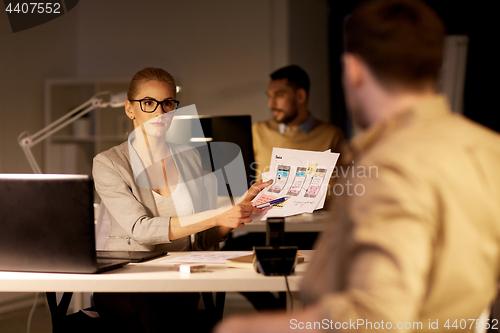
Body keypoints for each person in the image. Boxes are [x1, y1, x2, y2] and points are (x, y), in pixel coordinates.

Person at [214, 0, 500, 332]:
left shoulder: (391, 162)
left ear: (354, 69)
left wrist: (244, 329)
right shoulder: (489, 147)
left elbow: (377, 316)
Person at [92, 67, 271, 333]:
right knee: (151, 300)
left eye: (167, 104)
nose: (160, 113)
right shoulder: (109, 163)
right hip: (126, 280)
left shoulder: (190, 158)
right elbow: (141, 230)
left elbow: (201, 238)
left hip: (178, 278)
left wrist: (233, 216)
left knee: (169, 305)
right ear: (130, 109)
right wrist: (218, 215)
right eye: (149, 104)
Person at [252, 65, 344, 182]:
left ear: (300, 96)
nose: (271, 104)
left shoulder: (331, 136)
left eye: (279, 95)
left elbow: (340, 188)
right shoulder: (257, 132)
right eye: (269, 96)